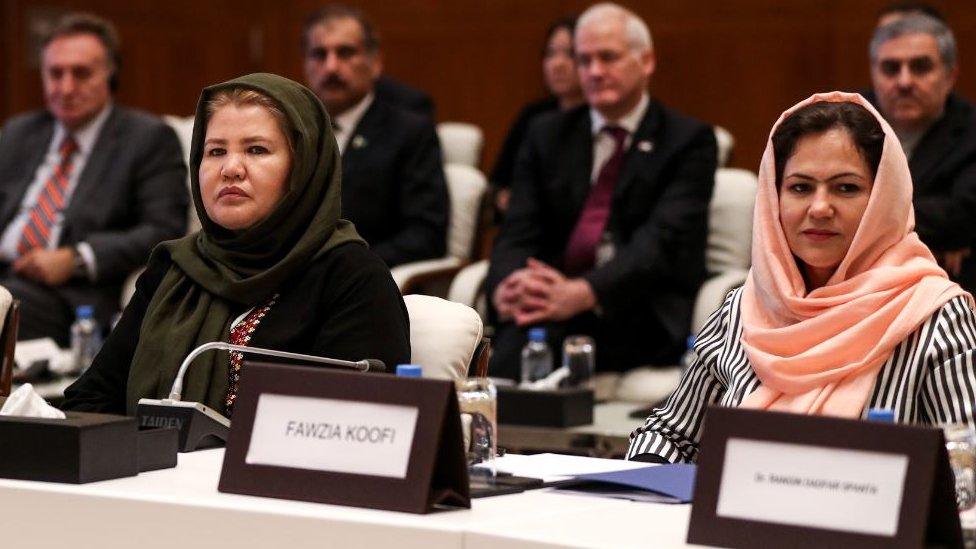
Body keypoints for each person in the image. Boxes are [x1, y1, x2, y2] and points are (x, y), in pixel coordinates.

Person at [628, 93, 976, 464]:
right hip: (736, 518)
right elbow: (671, 434)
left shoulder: (933, 316)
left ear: (883, 199)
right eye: (800, 187)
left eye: (846, 188)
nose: (820, 208)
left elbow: (967, 464)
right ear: (773, 198)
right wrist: (647, 484)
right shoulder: (743, 309)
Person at [62, 73, 411, 417]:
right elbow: (90, 399)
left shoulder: (352, 277)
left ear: (303, 167)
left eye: (256, 150)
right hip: (151, 471)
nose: (230, 169)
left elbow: (353, 431)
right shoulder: (175, 267)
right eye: (215, 151)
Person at [485, 3, 717, 380]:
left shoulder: (688, 140)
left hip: (636, 306)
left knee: (534, 353)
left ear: (646, 61)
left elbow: (660, 244)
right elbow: (518, 229)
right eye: (584, 60)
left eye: (608, 58)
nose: (594, 72)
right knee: (508, 354)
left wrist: (583, 291)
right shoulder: (547, 134)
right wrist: (508, 285)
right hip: (551, 304)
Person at [0, 13, 188, 344]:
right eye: (55, 74)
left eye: (81, 73)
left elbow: (164, 228)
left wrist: (77, 259)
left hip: (68, 297)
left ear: (110, 75)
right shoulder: (18, 133)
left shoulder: (148, 138)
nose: (66, 87)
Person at [302, 4, 448, 268]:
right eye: (319, 54)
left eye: (345, 53)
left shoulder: (410, 132)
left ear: (376, 62)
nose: (331, 67)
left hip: (361, 279)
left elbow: (426, 235)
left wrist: (349, 264)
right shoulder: (291, 130)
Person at [867, 14, 976, 292]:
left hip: (943, 286)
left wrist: (861, 213)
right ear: (874, 73)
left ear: (950, 76)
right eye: (891, 68)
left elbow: (964, 215)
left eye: (920, 67)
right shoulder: (844, 119)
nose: (904, 81)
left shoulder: (971, 130)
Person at [490, 16, 585, 216]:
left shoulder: (602, 120)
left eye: (571, 54)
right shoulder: (533, 117)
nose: (557, 64)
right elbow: (499, 182)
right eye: (550, 54)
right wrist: (503, 198)